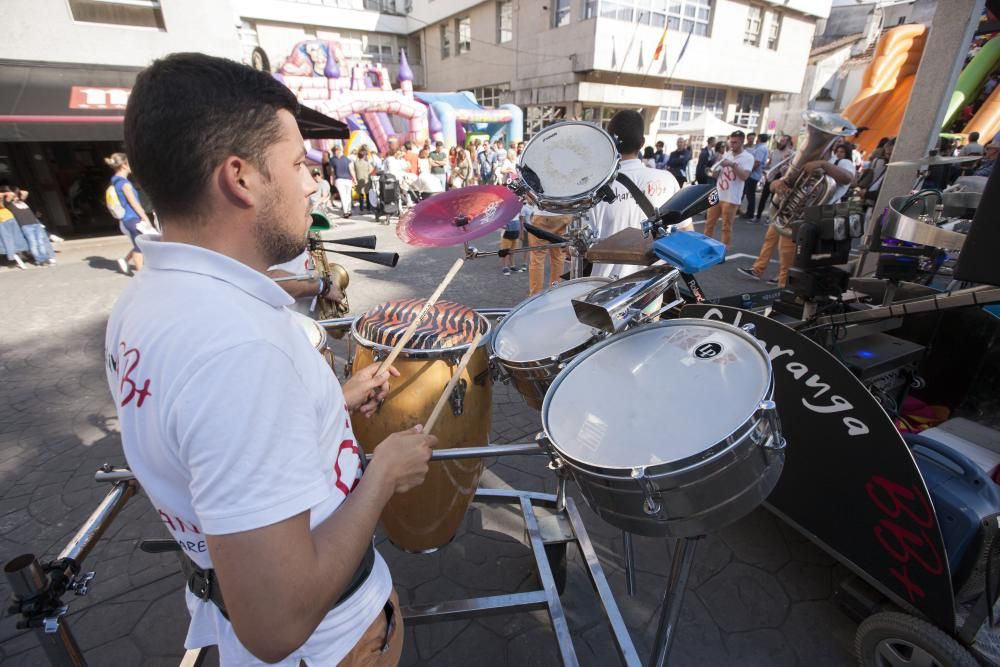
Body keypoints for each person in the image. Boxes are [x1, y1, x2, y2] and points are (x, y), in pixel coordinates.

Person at [107, 52, 434, 666]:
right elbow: (276, 620)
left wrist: (328, 404)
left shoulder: (147, 298)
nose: (312, 181)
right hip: (333, 644)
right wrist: (384, 472)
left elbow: (207, 443)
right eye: (297, 162)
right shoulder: (239, 349)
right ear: (241, 177)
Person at [738, 138, 855, 286]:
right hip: (786, 212)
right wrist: (777, 185)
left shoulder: (841, 162)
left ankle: (782, 286)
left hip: (806, 219)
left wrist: (823, 165)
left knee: (787, 255)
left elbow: (848, 178)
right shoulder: (805, 162)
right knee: (770, 240)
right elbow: (779, 183)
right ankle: (759, 269)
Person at [583, 109, 680, 280]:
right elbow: (685, 233)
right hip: (653, 289)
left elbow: (583, 249)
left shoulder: (594, 189)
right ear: (642, 142)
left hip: (606, 289)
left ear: (610, 142)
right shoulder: (667, 179)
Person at [703, 130, 754, 247]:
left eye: (735, 142)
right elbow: (718, 174)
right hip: (718, 194)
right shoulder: (727, 154)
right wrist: (713, 172)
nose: (732, 145)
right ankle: (704, 246)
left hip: (731, 197)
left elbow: (744, 176)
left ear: (742, 141)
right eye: (731, 142)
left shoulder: (748, 157)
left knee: (726, 227)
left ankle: (724, 250)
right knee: (709, 223)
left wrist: (732, 165)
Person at [105, 152, 153, 275]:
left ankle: (125, 260)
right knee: (140, 246)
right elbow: (134, 204)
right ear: (124, 165)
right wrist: (145, 218)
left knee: (143, 242)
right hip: (132, 218)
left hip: (126, 219)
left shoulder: (115, 182)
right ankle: (141, 274)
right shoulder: (125, 184)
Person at [1, 186, 55, 265]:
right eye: (14, 196)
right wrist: (9, 194)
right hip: (26, 226)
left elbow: (25, 192)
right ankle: (40, 259)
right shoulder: (9, 204)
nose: (15, 197)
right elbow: (10, 194)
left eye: (16, 195)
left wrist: (18, 193)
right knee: (33, 243)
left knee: (40, 242)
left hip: (35, 224)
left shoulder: (21, 202)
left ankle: (45, 257)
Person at [754, 133, 793, 221]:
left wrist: (785, 162)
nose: (781, 142)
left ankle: (770, 218)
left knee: (774, 199)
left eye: (783, 141)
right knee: (763, 197)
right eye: (781, 140)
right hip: (770, 176)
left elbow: (790, 168)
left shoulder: (791, 153)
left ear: (788, 142)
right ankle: (758, 216)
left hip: (780, 178)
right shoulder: (775, 151)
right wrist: (765, 168)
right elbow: (770, 162)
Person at [742, 134, 769, 221]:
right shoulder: (762, 147)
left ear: (759, 138)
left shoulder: (761, 148)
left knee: (750, 194)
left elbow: (757, 162)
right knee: (749, 194)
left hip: (753, 175)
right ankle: (749, 212)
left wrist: (749, 171)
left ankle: (750, 213)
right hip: (755, 174)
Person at [330, 146, 355, 218]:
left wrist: (331, 179)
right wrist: (355, 179)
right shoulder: (347, 159)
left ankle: (345, 212)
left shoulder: (332, 160)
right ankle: (349, 210)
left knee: (343, 196)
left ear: (333, 151)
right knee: (348, 196)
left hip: (339, 179)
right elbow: (351, 170)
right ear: (341, 150)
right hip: (348, 179)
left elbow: (332, 171)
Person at [353, 147, 374, 212]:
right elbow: (372, 169)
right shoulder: (367, 163)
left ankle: (361, 208)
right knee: (367, 194)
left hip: (359, 180)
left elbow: (354, 170)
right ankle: (368, 208)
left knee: (361, 195)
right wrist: (367, 173)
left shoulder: (356, 163)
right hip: (366, 179)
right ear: (364, 156)